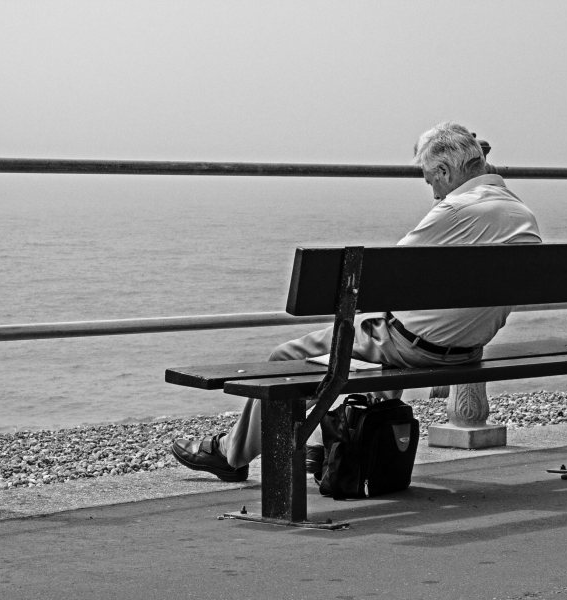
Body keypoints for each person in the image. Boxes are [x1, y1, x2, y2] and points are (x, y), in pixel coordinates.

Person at [171, 121, 542, 482]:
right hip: (469, 351)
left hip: (413, 348)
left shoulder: (455, 211)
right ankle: (322, 443)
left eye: (432, 181)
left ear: (444, 170)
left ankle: (230, 455)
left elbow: (383, 276)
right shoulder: (522, 215)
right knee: (374, 354)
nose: (434, 193)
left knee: (284, 357)